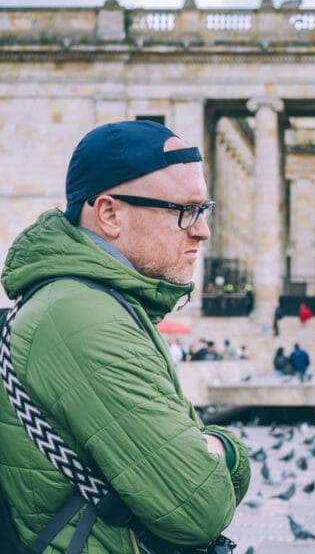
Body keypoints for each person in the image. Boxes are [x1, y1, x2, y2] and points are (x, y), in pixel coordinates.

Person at [0, 120, 251, 552]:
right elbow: (199, 507)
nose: (202, 230)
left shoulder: (92, 303)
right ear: (110, 214)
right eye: (183, 211)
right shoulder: (83, 317)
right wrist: (227, 450)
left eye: (203, 210)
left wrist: (199, 447)